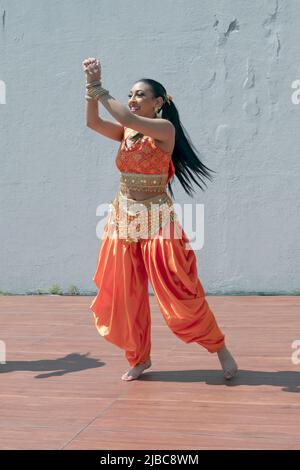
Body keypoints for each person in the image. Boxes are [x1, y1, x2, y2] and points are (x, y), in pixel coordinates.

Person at [82, 57, 238, 382]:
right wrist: (89, 91)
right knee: (126, 294)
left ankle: (219, 347)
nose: (133, 100)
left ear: (157, 103)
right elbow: (94, 124)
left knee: (179, 291)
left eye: (140, 95)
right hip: (123, 219)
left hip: (157, 221)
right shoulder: (127, 131)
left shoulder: (164, 129)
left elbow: (123, 114)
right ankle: (139, 358)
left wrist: (99, 86)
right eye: (130, 94)